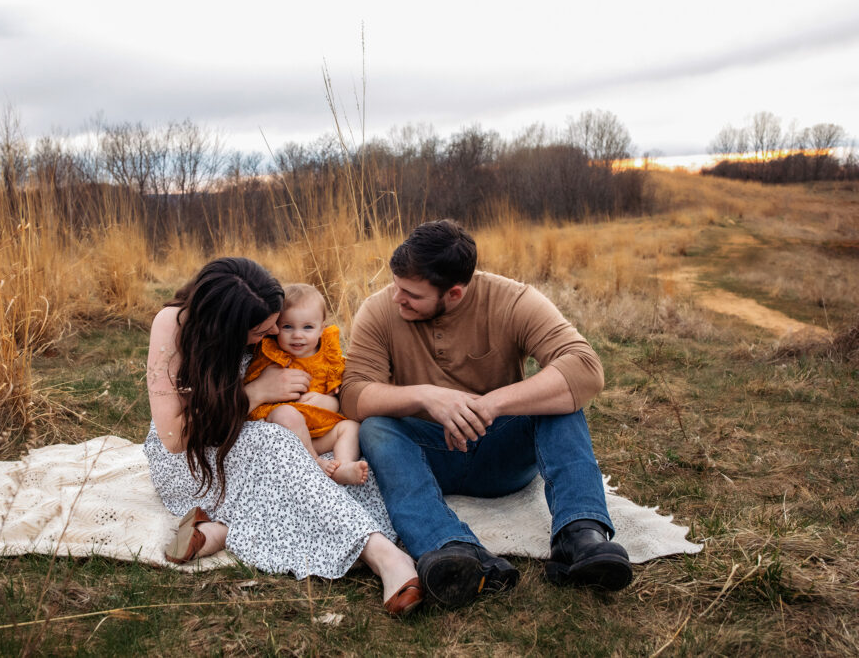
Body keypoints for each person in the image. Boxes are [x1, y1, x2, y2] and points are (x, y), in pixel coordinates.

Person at [340, 220, 632, 608]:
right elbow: (353, 394)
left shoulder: (512, 300)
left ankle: (579, 535)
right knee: (375, 427)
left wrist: (492, 404)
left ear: (455, 293)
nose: (397, 298)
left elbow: (584, 367)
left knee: (561, 403)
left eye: (411, 293)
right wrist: (427, 397)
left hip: (501, 455)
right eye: (396, 285)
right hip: (427, 456)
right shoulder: (379, 310)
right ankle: (447, 548)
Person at [143, 258, 421, 616]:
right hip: (193, 457)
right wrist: (256, 393)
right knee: (280, 446)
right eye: (261, 332)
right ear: (227, 328)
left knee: (340, 463)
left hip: (254, 431)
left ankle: (223, 532)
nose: (275, 334)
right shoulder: (173, 325)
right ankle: (383, 555)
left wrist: (328, 399)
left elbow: (319, 367)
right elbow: (174, 438)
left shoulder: (266, 315)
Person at [244, 283, 369, 486]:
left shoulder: (329, 357)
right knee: (286, 413)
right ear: (276, 328)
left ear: (322, 329)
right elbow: (252, 386)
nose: (298, 335)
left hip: (320, 435)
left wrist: (327, 401)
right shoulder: (271, 355)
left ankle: (343, 465)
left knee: (350, 427)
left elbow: (338, 395)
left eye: (307, 327)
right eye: (287, 327)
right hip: (287, 436)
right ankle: (315, 461)